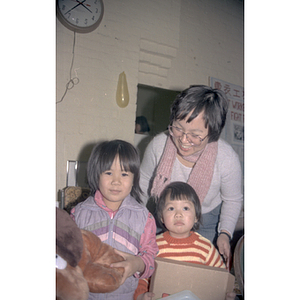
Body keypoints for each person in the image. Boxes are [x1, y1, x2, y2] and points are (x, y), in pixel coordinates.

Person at [139, 85, 243, 268]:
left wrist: (224, 234)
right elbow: (143, 184)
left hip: (207, 217)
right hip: (165, 213)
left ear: (213, 134)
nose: (183, 140)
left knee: (198, 267)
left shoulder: (226, 158)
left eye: (195, 135)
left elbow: (233, 200)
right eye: (178, 129)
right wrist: (137, 221)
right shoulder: (158, 145)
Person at [70, 140, 159, 300]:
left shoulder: (144, 217)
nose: (116, 181)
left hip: (125, 295)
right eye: (108, 173)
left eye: (124, 174)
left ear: (134, 178)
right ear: (96, 174)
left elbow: (150, 257)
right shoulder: (79, 213)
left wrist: (136, 264)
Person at [133, 182, 236, 300]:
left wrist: (226, 294)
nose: (178, 214)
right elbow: (141, 277)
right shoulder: (153, 246)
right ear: (161, 217)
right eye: (171, 208)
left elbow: (221, 278)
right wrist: (141, 296)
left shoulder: (205, 248)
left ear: (196, 216)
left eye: (185, 208)